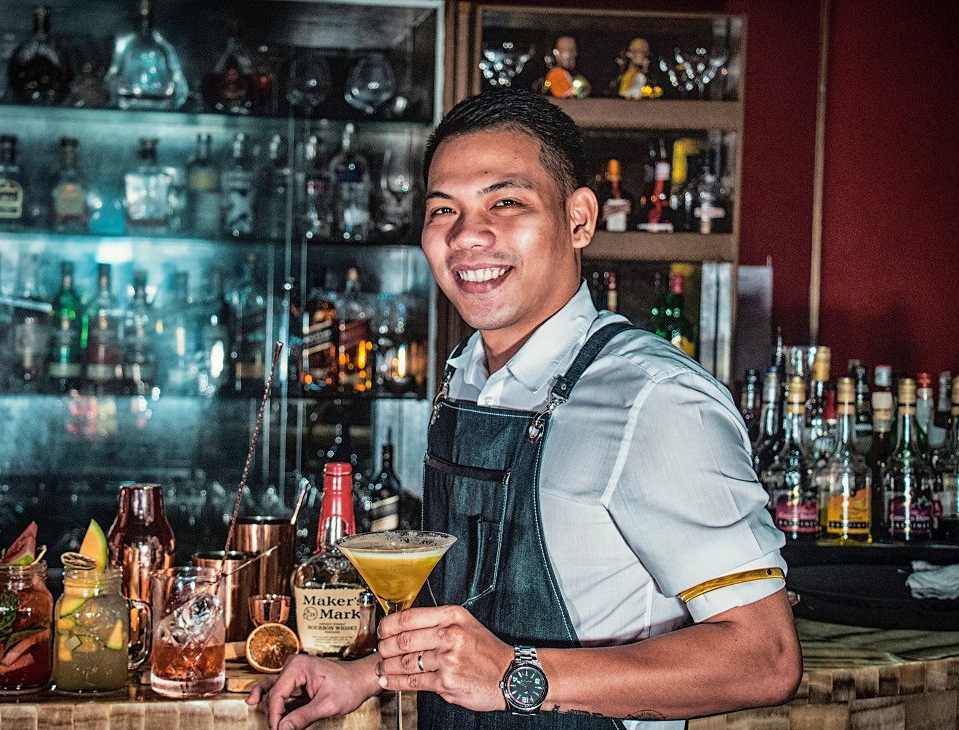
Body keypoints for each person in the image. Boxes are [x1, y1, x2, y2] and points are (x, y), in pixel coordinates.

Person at [248, 89, 802, 730]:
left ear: (580, 219)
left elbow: (765, 656)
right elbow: (471, 623)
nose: (466, 236)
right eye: (442, 210)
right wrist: (365, 673)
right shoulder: (468, 382)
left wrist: (517, 675)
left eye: (506, 202)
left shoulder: (654, 399)